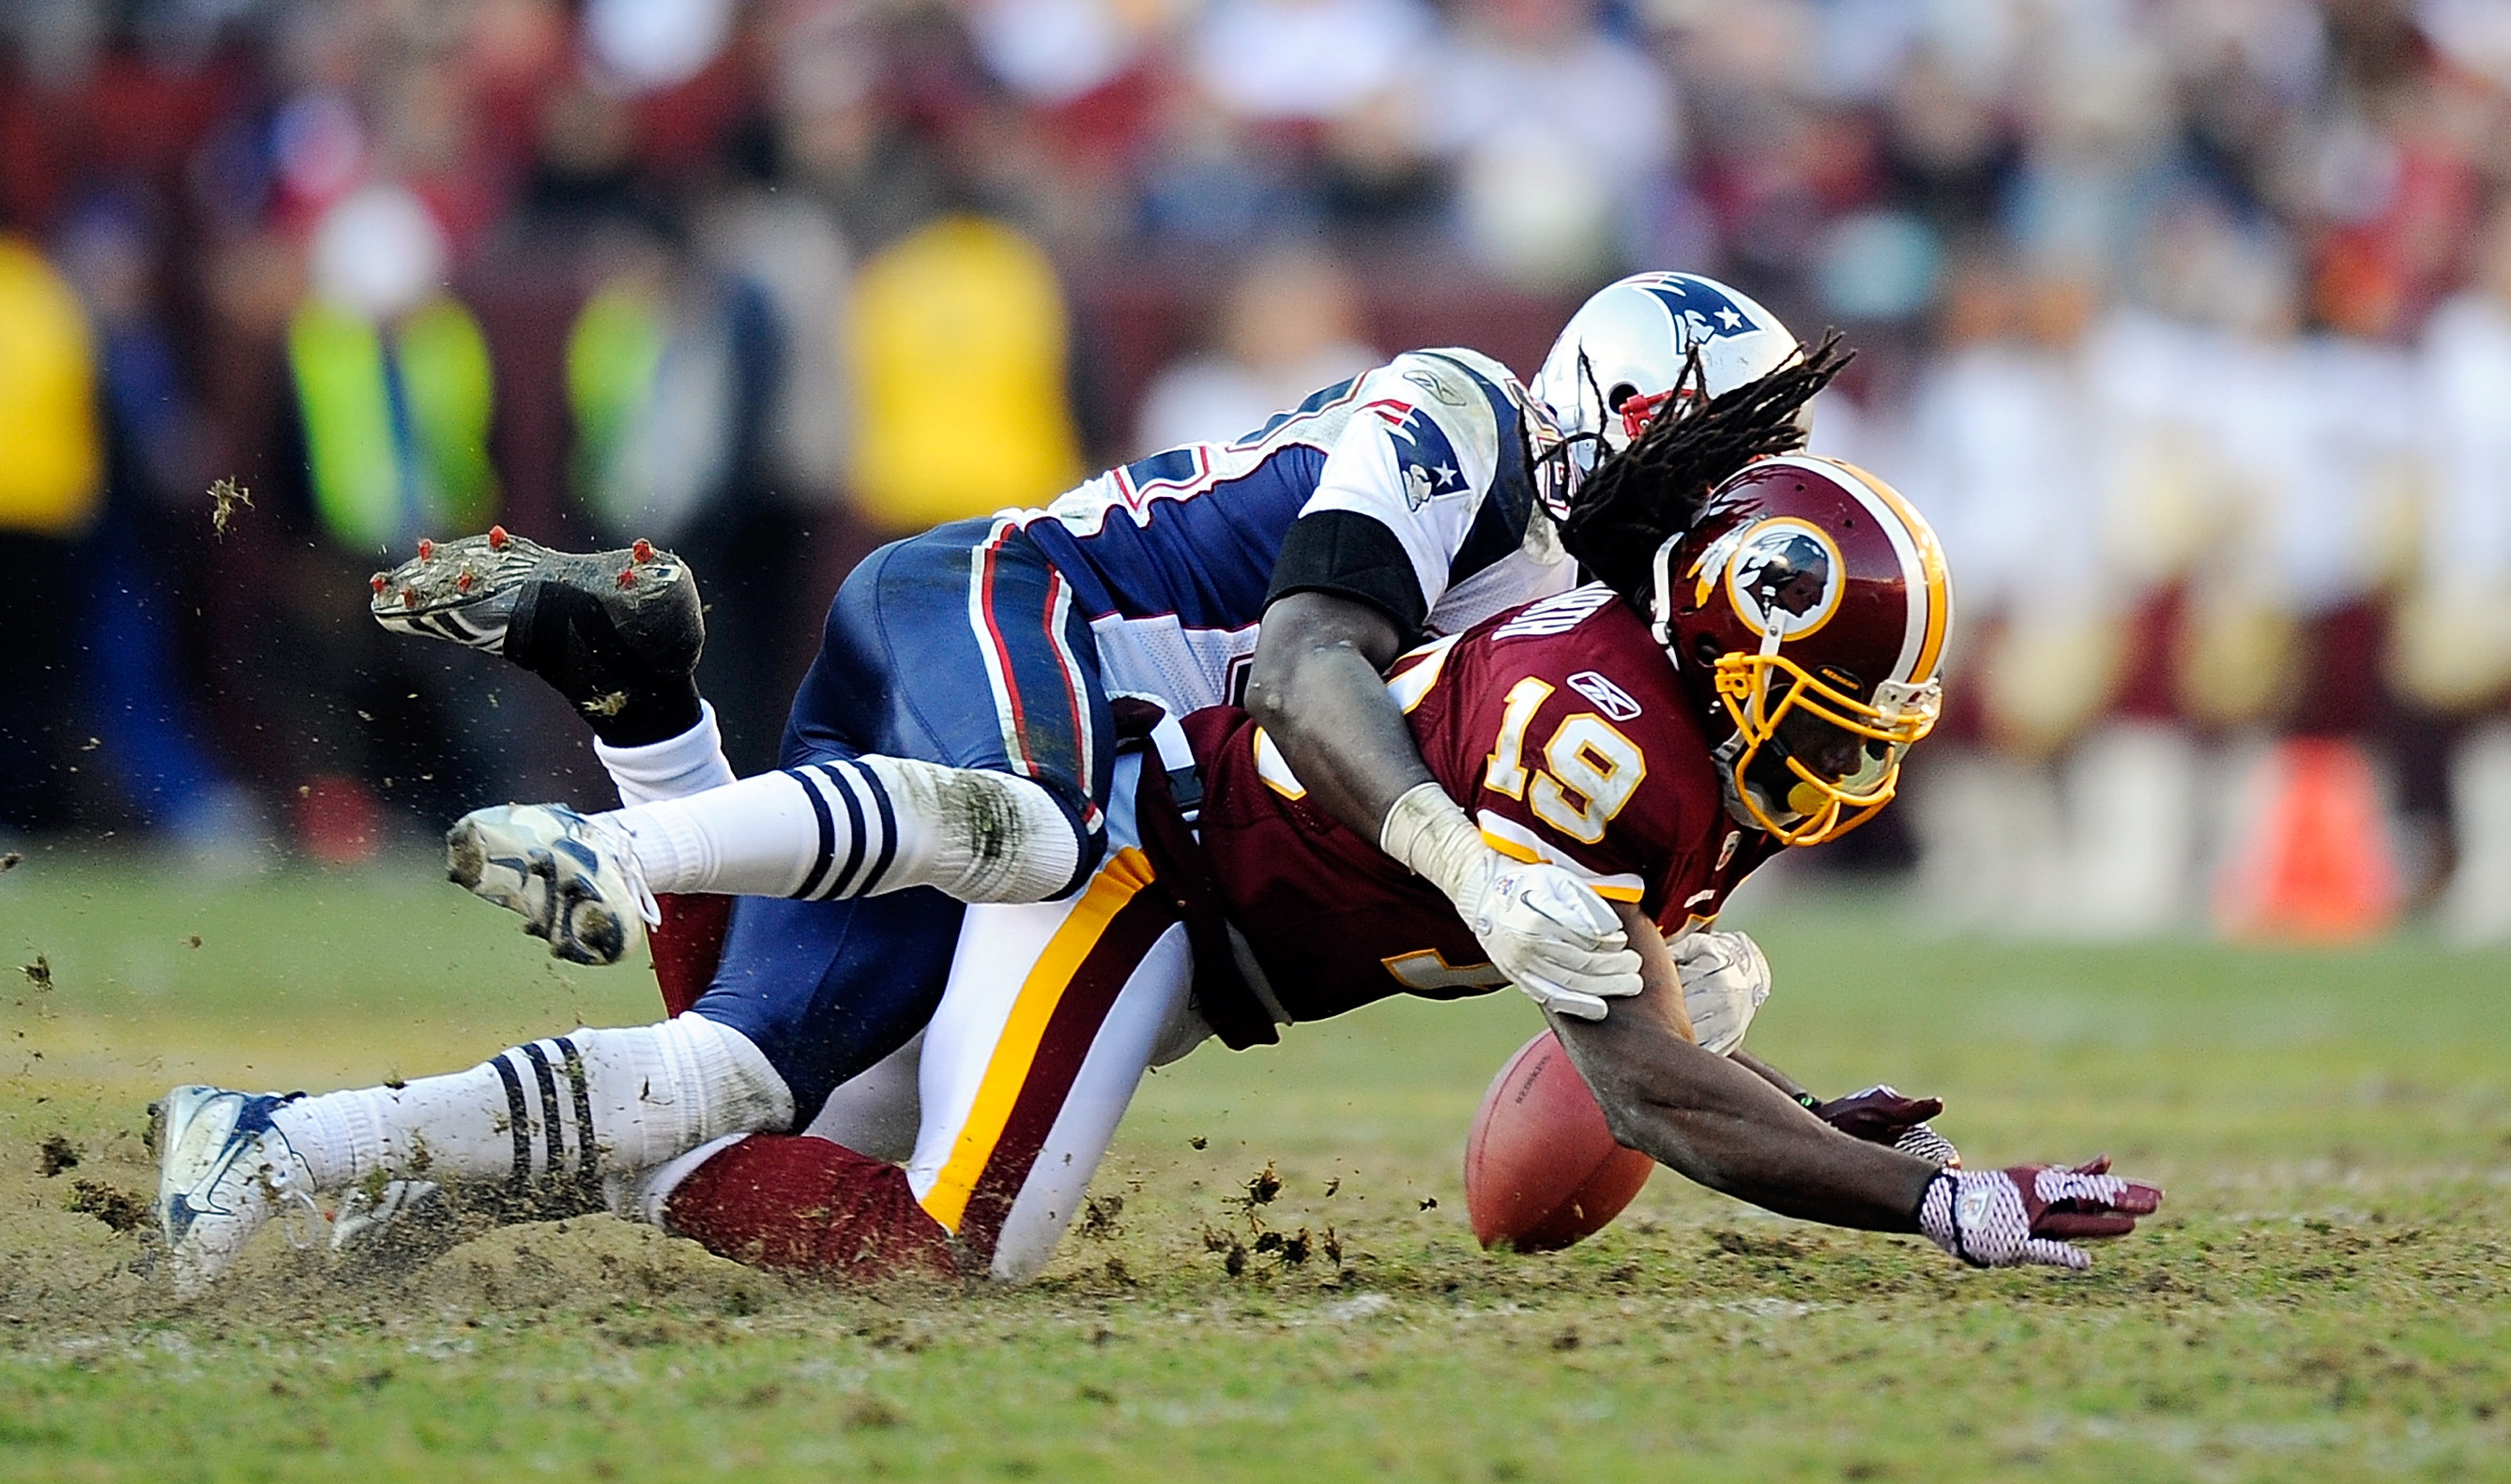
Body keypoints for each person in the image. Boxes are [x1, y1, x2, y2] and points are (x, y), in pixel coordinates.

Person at [158, 402, 2160, 1293]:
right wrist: (1936, 1210)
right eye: (1839, 706)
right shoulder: (1596, 700)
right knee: (854, 1164)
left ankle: (650, 748)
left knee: (791, 1132)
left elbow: (1635, 1050)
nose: (1855, 761)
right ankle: (325, 1122)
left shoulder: (1615, 684)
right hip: (1127, 824)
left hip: (1171, 851)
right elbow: (1629, 1081)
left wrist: (1806, 1119)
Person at [364, 268, 1813, 1139]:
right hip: (1028, 615)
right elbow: (1312, 673)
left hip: (1120, 767)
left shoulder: (1573, 609)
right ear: (1629, 414)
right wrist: (1476, 875)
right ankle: (610, 849)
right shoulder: (1463, 422)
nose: (1725, 509)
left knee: (762, 1079)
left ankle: (646, 706)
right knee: (1034, 829)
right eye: (1715, 462)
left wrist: (1688, 994)